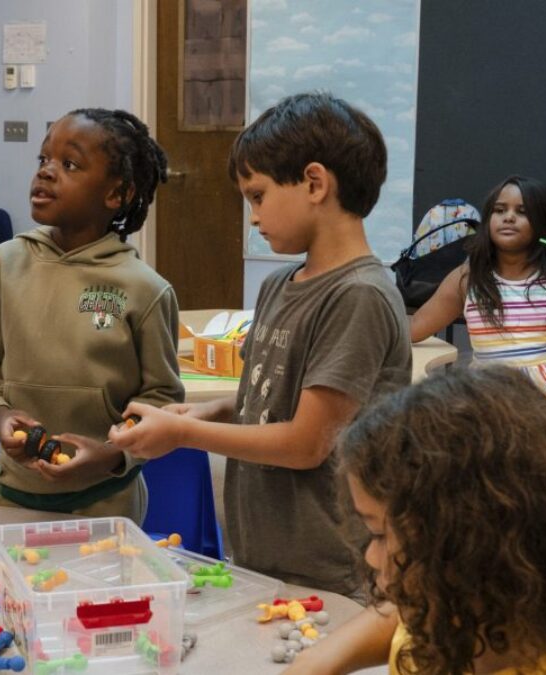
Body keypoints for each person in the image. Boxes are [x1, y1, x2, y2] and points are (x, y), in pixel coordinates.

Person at [107, 92, 411, 596]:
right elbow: (266, 400)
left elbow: (306, 443)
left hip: (330, 566)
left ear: (314, 183)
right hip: (266, 551)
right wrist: (204, 413)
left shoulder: (358, 296)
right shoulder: (277, 286)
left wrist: (183, 436)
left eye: (258, 196)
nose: (252, 217)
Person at [288, 366, 546, 674]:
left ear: (473, 547)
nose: (371, 556)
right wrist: (322, 659)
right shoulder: (453, 603)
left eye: (379, 534)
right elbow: (400, 617)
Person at [0, 108, 183, 521]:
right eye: (43, 158)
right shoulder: (5, 264)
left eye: (69, 164)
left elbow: (162, 399)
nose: (46, 171)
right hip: (17, 489)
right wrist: (0, 413)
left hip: (107, 495)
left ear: (116, 194)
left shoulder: (144, 288)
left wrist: (112, 454)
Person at [410, 175, 546, 452]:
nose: (508, 217)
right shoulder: (467, 278)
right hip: (491, 389)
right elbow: (415, 328)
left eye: (522, 212)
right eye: (500, 210)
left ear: (543, 222)